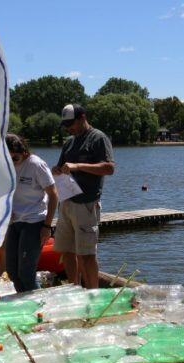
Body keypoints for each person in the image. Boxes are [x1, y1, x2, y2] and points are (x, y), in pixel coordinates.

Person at [52, 104, 115, 289]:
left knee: (86, 254)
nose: (68, 128)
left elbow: (109, 168)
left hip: (86, 204)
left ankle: (93, 293)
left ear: (82, 118)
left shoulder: (98, 138)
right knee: (67, 251)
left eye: (71, 124)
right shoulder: (69, 142)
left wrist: (78, 166)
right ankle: (74, 288)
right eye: (65, 125)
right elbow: (62, 166)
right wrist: (57, 170)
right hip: (66, 202)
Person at [4, 134, 58, 292]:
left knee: (26, 272)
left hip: (34, 222)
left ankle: (41, 306)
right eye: (8, 158)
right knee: (12, 271)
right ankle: (25, 304)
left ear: (24, 152)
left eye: (15, 158)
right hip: (14, 222)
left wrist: (47, 226)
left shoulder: (36, 164)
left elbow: (54, 195)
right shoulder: (7, 165)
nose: (12, 162)